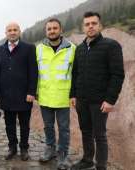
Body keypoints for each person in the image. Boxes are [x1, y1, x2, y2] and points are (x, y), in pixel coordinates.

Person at [70, 12, 125, 170]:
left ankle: (101, 166)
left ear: (100, 25)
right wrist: (73, 95)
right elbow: (75, 74)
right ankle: (87, 160)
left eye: (94, 23)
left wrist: (110, 100)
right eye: (87, 24)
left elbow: (117, 75)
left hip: (100, 101)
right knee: (85, 131)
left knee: (99, 135)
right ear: (83, 27)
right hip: (82, 100)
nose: (90, 26)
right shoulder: (79, 49)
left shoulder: (111, 45)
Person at [36, 18, 76, 170]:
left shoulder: (72, 49)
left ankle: (63, 155)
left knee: (64, 128)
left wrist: (73, 94)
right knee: (48, 126)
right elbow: (36, 73)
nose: (52, 31)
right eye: (49, 29)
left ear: (61, 30)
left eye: (55, 28)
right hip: (45, 96)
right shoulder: (39, 49)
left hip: (62, 97)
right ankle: (50, 149)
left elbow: (76, 73)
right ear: (46, 31)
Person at [0, 22, 38, 161]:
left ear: (19, 32)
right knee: (9, 125)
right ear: (6, 33)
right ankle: (12, 148)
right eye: (9, 30)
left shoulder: (29, 48)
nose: (12, 32)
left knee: (25, 125)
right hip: (6, 95)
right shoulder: (0, 50)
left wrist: (31, 92)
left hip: (24, 95)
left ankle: (24, 148)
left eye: (15, 30)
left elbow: (33, 71)